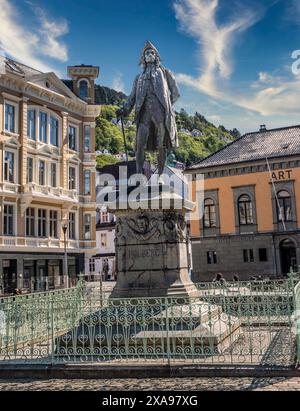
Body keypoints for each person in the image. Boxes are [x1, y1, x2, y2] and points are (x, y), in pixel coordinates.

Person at [117, 41, 180, 177]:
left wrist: (168, 107)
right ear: (143, 57)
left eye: (152, 53)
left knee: (161, 145)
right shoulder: (138, 78)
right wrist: (124, 109)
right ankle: (139, 176)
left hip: (161, 115)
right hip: (144, 115)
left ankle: (161, 176)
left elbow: (175, 93)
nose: (150, 55)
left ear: (156, 56)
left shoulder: (165, 73)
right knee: (139, 145)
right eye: (147, 53)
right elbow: (132, 98)